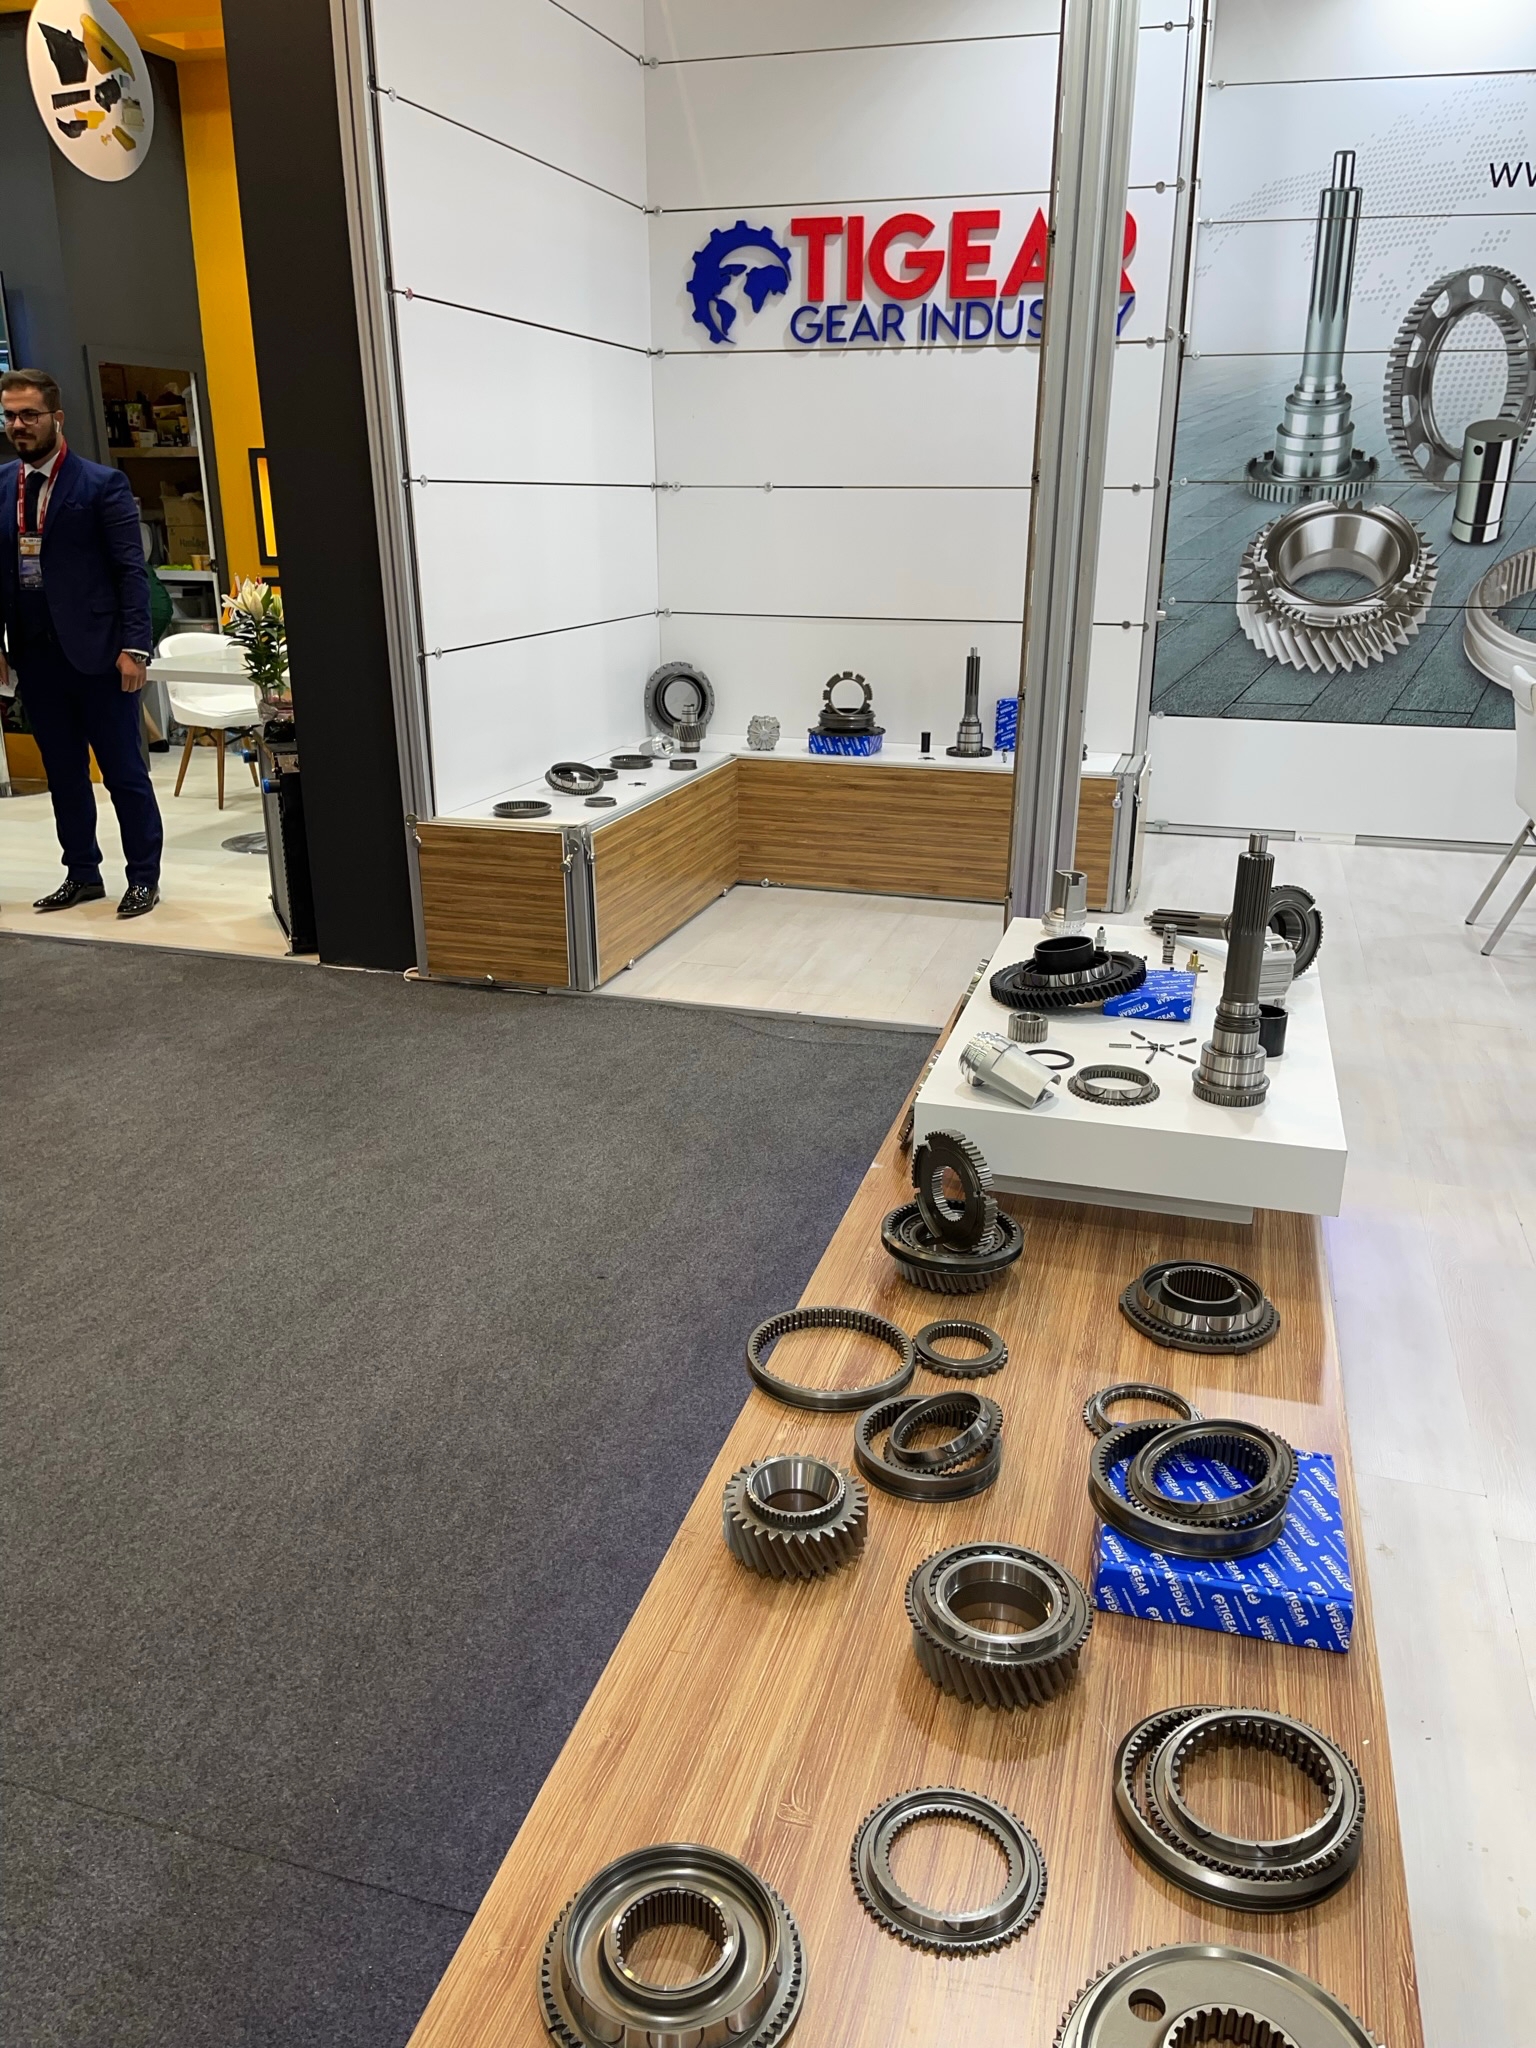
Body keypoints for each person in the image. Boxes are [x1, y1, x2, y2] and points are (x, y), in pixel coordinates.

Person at [0, 367, 163, 917]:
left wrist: (135, 648)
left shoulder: (100, 485)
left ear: (57, 418)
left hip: (101, 656)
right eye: (10, 416)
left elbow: (130, 572)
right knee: (64, 776)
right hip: (36, 657)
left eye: (29, 414)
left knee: (124, 775)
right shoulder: (2, 486)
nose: (18, 425)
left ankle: (143, 878)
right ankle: (82, 873)